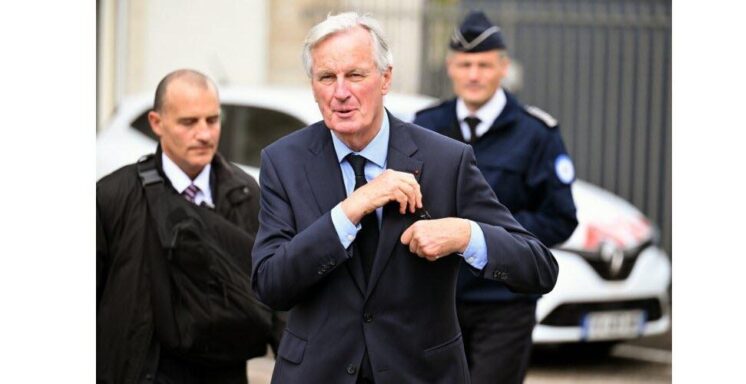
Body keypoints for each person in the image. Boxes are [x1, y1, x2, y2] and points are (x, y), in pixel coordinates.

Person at [251, 12, 559, 384]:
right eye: (327, 77)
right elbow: (270, 284)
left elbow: (539, 267)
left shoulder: (446, 160)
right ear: (313, 85)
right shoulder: (283, 161)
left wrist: (465, 234)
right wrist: (350, 210)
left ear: (385, 78)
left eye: (356, 75)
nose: (341, 92)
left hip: (419, 373)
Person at [413, 10, 579, 384]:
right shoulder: (425, 126)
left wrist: (483, 237)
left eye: (484, 65)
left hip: (504, 303)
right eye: (465, 64)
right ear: (450, 67)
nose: (474, 75)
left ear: (504, 68)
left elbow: (560, 217)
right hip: (437, 300)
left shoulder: (536, 134)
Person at [97, 69, 282, 383]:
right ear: (157, 123)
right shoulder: (113, 196)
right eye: (188, 122)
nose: (205, 134)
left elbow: (275, 293)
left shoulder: (248, 194)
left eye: (212, 120)